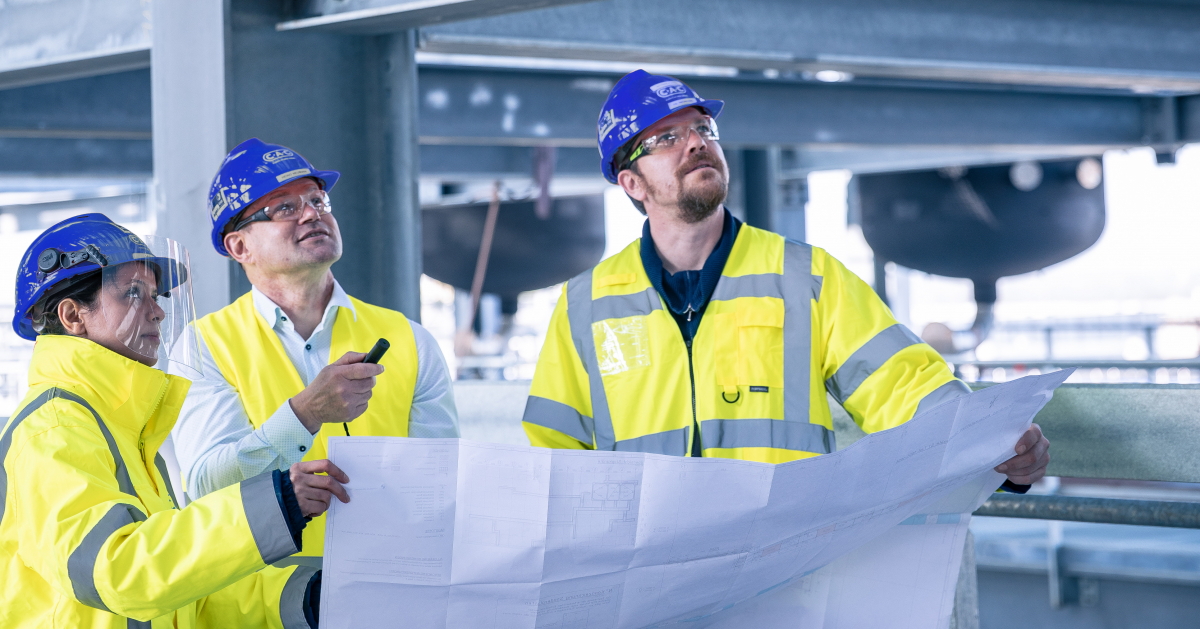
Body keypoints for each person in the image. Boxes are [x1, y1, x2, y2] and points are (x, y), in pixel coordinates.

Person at [523, 70, 1049, 489]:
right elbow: (554, 456)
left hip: (779, 562)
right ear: (632, 182)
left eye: (703, 129)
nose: (696, 143)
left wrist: (990, 441)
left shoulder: (807, 278)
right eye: (667, 137)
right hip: (649, 570)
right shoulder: (585, 303)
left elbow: (900, 384)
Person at [0, 214, 343, 628]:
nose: (158, 312)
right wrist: (275, 503)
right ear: (73, 316)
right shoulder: (55, 427)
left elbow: (181, 594)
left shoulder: (124, 429)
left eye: (155, 295)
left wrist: (304, 598)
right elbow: (121, 573)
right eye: (132, 293)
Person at [172, 138, 459, 562]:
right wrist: (304, 415)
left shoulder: (409, 340)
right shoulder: (204, 345)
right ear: (239, 247)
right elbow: (206, 484)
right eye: (284, 208)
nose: (312, 214)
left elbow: (442, 481)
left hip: (385, 584)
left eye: (317, 200)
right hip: (263, 596)